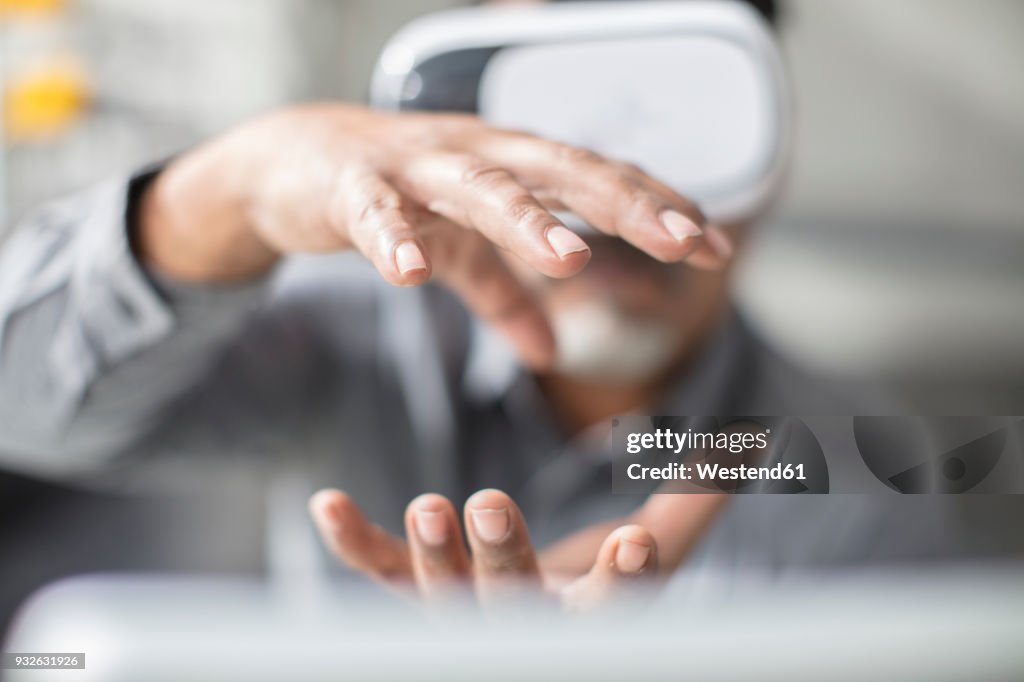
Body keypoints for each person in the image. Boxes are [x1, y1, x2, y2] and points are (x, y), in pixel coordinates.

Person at [0, 0, 1013, 613]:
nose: (617, 196)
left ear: (772, 161)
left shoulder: (852, 474)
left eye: (682, 113)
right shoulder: (345, 331)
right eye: (559, 118)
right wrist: (228, 193)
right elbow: (23, 410)